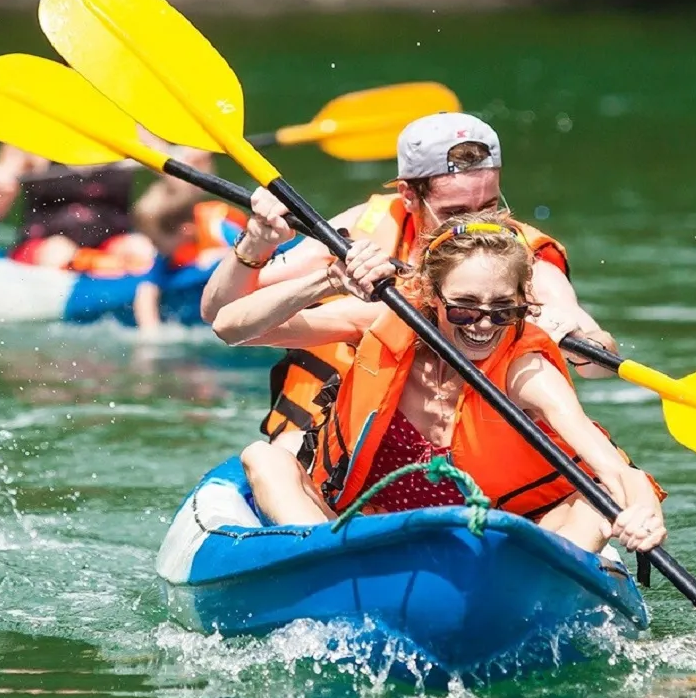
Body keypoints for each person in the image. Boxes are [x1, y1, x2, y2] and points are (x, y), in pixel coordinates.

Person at [212, 210, 666, 555]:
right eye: (464, 307)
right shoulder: (386, 322)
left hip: (497, 547)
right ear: (432, 297)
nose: (483, 325)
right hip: (366, 539)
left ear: (523, 304)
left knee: (597, 501)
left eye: (502, 310)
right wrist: (325, 279)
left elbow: (614, 469)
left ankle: (542, 588)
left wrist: (644, 512)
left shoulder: (525, 370)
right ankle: (326, 567)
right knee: (265, 457)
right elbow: (230, 326)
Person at [199, 112, 619, 462]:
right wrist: (255, 244)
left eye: (489, 208)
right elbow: (222, 315)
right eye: (454, 211)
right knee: (281, 454)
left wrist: (579, 341)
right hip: (337, 425)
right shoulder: (356, 232)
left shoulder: (523, 256)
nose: (473, 227)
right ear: (408, 194)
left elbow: (598, 363)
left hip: (470, 443)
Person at [0, 140, 218, 277]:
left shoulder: (129, 130)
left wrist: (196, 168)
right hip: (45, 243)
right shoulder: (29, 135)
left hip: (111, 240)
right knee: (59, 252)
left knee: (141, 249)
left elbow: (185, 187)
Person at [132, 193, 249, 329]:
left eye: (156, 241)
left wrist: (221, 255)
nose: (153, 246)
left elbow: (250, 249)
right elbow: (147, 289)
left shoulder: (218, 228)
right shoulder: (165, 254)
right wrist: (150, 330)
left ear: (184, 232)